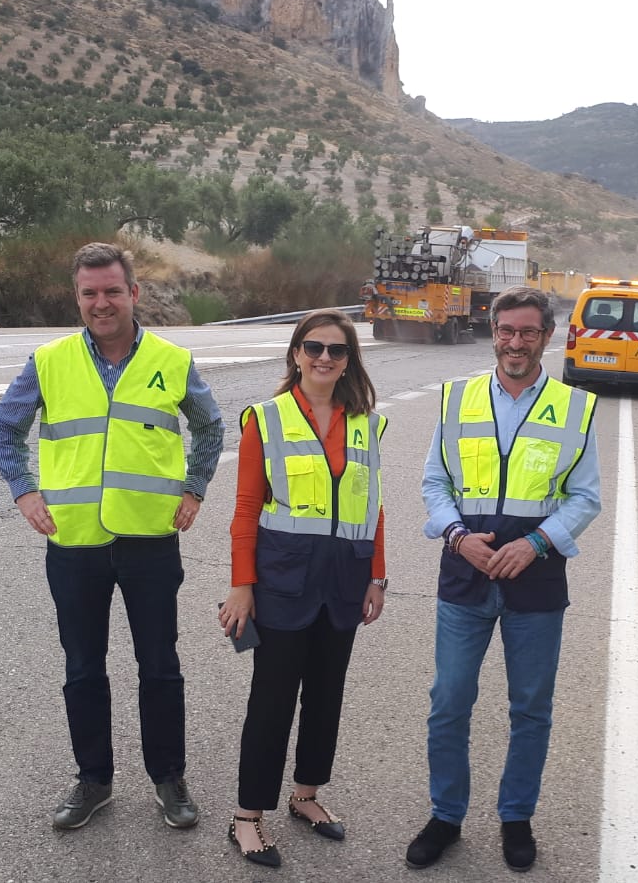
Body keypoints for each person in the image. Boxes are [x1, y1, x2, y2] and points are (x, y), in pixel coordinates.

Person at [0, 242, 223, 832]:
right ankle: (93, 779)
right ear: (77, 296)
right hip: (74, 544)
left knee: (160, 666)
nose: (101, 302)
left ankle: (169, 778)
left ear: (133, 293)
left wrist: (194, 488)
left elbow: (210, 425)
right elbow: (4, 427)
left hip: (149, 539)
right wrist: (25, 490)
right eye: (90, 293)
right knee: (83, 668)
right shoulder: (49, 361)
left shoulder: (171, 359)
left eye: (112, 291)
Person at [408, 286, 602, 873]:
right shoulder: (455, 398)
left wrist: (537, 541)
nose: (515, 343)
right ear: (493, 332)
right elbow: (434, 484)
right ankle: (447, 815)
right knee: (449, 702)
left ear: (547, 336)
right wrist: (456, 536)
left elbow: (585, 497)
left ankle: (516, 817)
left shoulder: (576, 408)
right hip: (464, 576)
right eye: (506, 331)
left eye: (528, 333)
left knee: (531, 708)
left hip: (535, 580)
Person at [217, 309, 389, 869]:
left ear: (348, 362)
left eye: (336, 351)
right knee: (271, 700)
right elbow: (245, 510)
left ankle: (307, 795)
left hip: (343, 580)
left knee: (325, 696)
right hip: (283, 580)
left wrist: (377, 577)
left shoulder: (365, 422)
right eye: (313, 347)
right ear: (295, 354)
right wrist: (242, 585)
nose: (323, 358)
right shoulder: (264, 420)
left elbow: (373, 507)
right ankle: (247, 817)